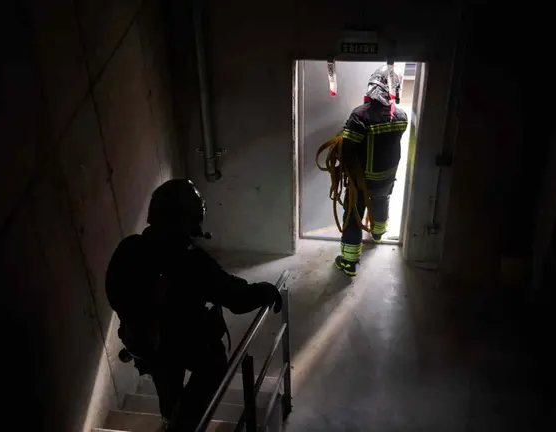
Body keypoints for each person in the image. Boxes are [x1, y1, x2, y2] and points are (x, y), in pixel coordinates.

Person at [105, 179, 283, 430]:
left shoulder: (130, 248)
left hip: (149, 345)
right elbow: (235, 297)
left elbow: (114, 292)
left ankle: (170, 420)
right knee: (215, 365)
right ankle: (185, 425)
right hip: (186, 342)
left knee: (167, 387)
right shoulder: (190, 261)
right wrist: (265, 291)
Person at [326, 64, 408, 276]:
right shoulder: (401, 116)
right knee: (382, 202)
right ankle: (378, 234)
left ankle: (348, 262)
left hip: (362, 180)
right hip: (387, 177)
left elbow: (348, 150)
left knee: (353, 213)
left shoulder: (360, 115)